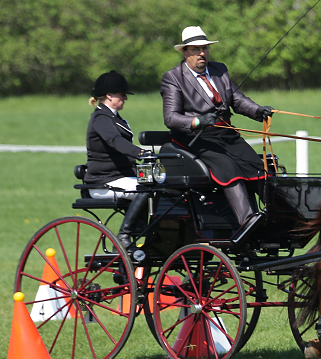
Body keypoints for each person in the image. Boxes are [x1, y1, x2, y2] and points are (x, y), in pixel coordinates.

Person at [161, 25, 274, 239]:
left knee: (258, 166)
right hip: (196, 138)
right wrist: (198, 121)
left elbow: (237, 100)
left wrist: (257, 110)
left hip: (226, 134)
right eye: (196, 49)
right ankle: (248, 221)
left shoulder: (219, 70)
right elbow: (171, 118)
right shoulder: (173, 78)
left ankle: (275, 216)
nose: (202, 53)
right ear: (185, 52)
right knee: (228, 166)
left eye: (204, 48)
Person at [85, 70, 150, 250]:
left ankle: (144, 230)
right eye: (122, 95)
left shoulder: (114, 117)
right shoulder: (101, 118)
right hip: (104, 181)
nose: (125, 99)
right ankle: (124, 235)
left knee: (156, 186)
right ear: (109, 95)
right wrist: (140, 153)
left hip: (120, 178)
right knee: (147, 189)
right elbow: (115, 141)